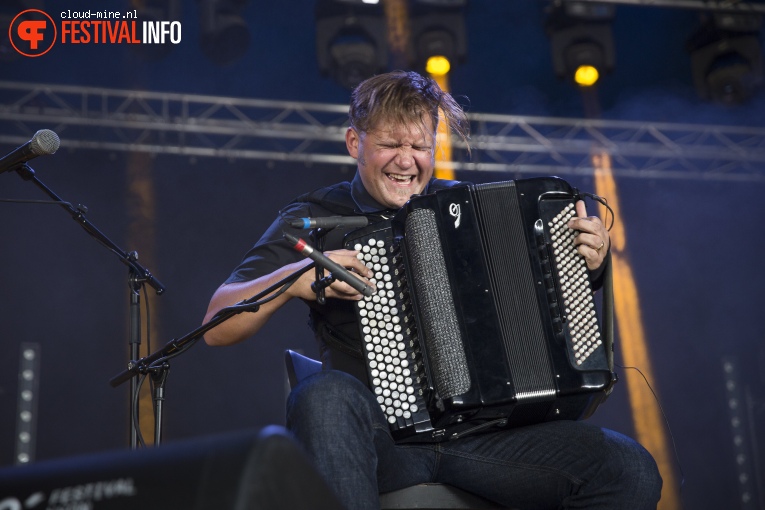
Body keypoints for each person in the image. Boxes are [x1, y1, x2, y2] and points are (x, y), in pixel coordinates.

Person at [203, 70, 662, 509]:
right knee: (321, 397)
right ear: (354, 143)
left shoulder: (470, 208)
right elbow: (217, 324)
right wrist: (295, 278)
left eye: (419, 146)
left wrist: (589, 261)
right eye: (389, 144)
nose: (406, 160)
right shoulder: (315, 215)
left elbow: (542, 312)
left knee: (630, 469)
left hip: (486, 440)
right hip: (385, 444)